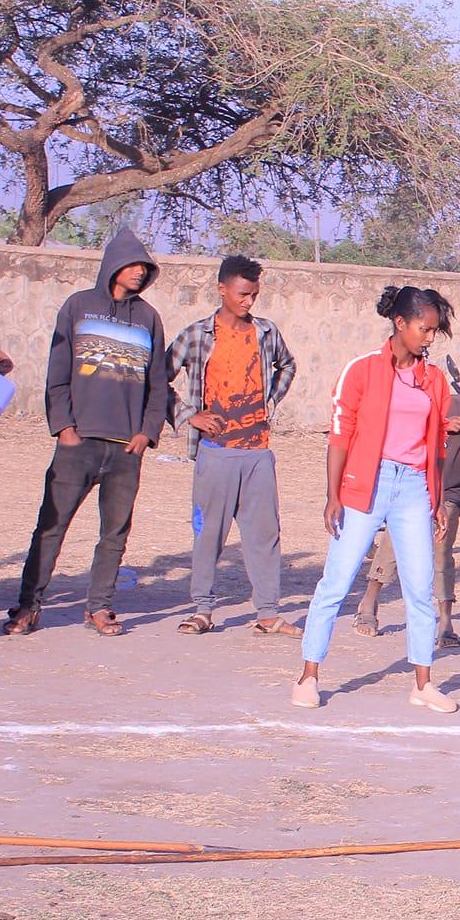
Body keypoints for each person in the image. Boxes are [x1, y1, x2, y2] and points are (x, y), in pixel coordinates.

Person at [290, 286, 458, 713]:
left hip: (413, 489)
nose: (430, 338)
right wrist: (333, 494)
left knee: (419, 586)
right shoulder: (362, 370)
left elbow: (435, 445)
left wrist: (435, 501)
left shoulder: (434, 379)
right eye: (425, 328)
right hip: (367, 482)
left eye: (435, 331)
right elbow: (340, 434)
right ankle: (308, 676)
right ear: (400, 323)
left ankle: (423, 683)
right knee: (337, 580)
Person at [7, 228, 169, 637]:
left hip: (125, 449)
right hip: (77, 442)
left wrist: (147, 433)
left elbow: (158, 383)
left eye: (144, 267)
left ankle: (99, 608)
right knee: (51, 527)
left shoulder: (148, 317)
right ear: (113, 265)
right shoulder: (78, 307)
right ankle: (28, 606)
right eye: (132, 264)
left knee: (114, 533)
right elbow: (56, 372)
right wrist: (63, 427)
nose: (138, 272)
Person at [167, 255, 299, 638]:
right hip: (215, 451)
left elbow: (287, 365)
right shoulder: (196, 335)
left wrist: (269, 402)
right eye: (242, 294)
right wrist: (189, 415)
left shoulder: (265, 332)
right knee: (209, 533)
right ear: (222, 289)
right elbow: (159, 377)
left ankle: (268, 613)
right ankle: (203, 609)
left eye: (254, 295)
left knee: (264, 534)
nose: (248, 302)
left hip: (257, 451)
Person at [355, 357, 460, 648]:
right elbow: (409, 434)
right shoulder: (443, 404)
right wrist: (441, 427)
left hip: (450, 493)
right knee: (393, 544)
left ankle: (446, 622)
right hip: (416, 483)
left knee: (442, 553)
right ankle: (368, 603)